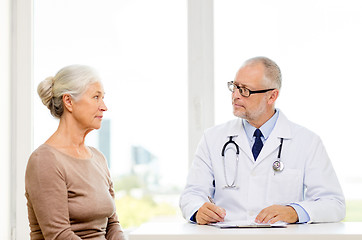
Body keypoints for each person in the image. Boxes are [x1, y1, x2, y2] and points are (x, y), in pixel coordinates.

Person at [179, 56, 345, 225]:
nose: (235, 96)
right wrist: (198, 210)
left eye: (245, 90)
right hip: (228, 236)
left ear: (272, 96)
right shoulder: (213, 138)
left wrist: (294, 212)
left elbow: (334, 204)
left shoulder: (307, 142)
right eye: (234, 87)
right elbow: (191, 195)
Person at [25, 65, 125, 239]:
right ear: (69, 101)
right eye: (96, 97)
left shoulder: (98, 158)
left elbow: (113, 225)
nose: (104, 107)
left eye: (103, 98)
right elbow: (59, 235)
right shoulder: (44, 160)